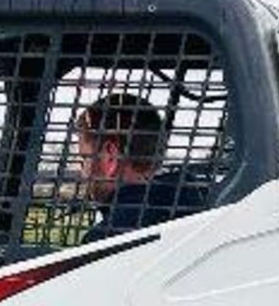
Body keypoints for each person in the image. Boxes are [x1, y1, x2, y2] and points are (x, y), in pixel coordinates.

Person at [74, 92, 209, 241]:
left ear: (110, 157)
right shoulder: (200, 208)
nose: (83, 174)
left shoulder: (107, 240)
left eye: (85, 159)